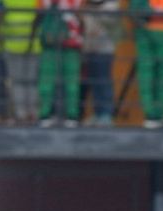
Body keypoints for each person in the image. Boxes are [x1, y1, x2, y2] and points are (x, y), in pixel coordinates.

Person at [29, 0, 85, 128]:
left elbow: (82, 19)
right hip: (50, 45)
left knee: (71, 83)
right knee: (47, 82)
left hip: (71, 45)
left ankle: (72, 116)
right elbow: (38, 15)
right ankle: (45, 115)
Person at [131, 0, 163, 128]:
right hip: (155, 30)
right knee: (155, 73)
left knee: (157, 72)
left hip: (160, 30)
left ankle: (160, 113)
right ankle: (160, 113)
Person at [81, 0, 121, 127]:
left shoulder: (111, 5)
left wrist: (94, 10)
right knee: (94, 82)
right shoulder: (86, 6)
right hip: (89, 48)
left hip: (104, 49)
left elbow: (109, 20)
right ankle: (98, 113)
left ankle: (106, 115)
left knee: (103, 81)